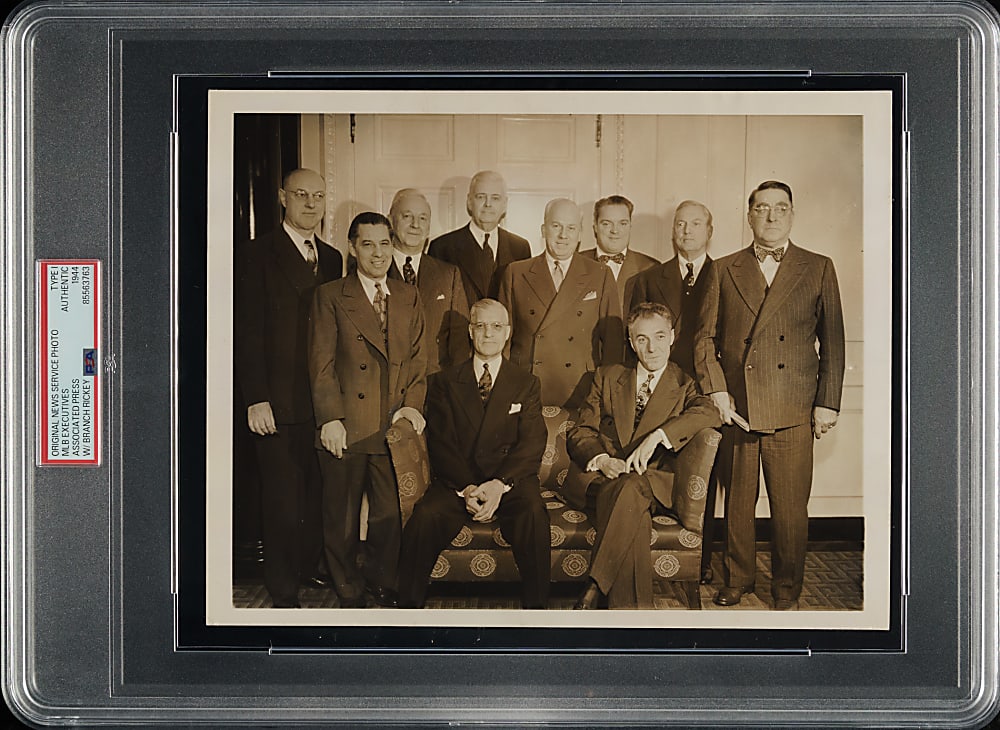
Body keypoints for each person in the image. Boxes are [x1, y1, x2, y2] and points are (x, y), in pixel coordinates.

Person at [694, 180, 845, 611]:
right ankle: (737, 579)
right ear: (749, 216)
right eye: (762, 208)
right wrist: (718, 391)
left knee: (790, 508)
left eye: (780, 208)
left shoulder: (818, 266)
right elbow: (704, 339)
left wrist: (827, 402)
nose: (772, 216)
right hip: (738, 408)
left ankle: (786, 587)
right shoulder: (723, 268)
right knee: (738, 505)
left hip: (794, 407)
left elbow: (833, 341)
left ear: (792, 215)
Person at [234, 168, 343, 608]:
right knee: (280, 500)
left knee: (315, 494)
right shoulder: (255, 254)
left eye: (318, 195)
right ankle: (281, 590)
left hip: (321, 401)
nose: (311, 204)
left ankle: (306, 569)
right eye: (301, 195)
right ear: (282, 197)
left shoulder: (333, 257)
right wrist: (256, 397)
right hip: (276, 402)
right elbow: (246, 332)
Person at [397, 299, 551, 609]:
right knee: (424, 517)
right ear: (470, 331)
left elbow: (533, 442)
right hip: (459, 482)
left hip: (510, 484)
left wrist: (499, 484)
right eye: (481, 326)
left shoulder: (526, 383)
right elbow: (440, 442)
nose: (488, 334)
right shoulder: (442, 382)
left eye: (496, 327)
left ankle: (537, 614)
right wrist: (467, 488)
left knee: (534, 514)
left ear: (507, 333)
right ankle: (406, 614)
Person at [567, 302, 722, 609]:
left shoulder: (684, 383)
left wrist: (658, 437)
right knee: (632, 507)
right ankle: (629, 613)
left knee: (632, 488)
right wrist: (602, 460)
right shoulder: (607, 377)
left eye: (660, 336)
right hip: (603, 479)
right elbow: (580, 431)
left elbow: (709, 411)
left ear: (672, 337)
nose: (652, 348)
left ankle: (596, 586)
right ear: (631, 342)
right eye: (642, 339)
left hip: (651, 483)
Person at [308, 212, 427, 608]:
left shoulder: (408, 295)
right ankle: (347, 588)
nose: (378, 253)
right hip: (346, 424)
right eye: (369, 244)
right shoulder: (331, 295)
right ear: (353, 248)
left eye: (384, 244)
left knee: (389, 515)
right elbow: (321, 364)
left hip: (392, 427)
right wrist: (329, 419)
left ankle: (381, 578)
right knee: (341, 518)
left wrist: (411, 409)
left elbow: (418, 362)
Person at [497, 198, 623, 410]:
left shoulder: (599, 274)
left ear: (580, 233)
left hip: (581, 388)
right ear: (544, 229)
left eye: (571, 228)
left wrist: (605, 395)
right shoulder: (516, 272)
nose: (563, 236)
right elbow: (503, 340)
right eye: (556, 227)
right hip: (527, 386)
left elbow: (613, 343)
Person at [628, 200, 715, 379]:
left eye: (695, 224)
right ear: (673, 232)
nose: (687, 231)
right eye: (680, 224)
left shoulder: (723, 276)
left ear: (709, 231)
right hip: (663, 381)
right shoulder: (649, 278)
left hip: (708, 380)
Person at [386, 188, 470, 373]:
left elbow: (459, 342)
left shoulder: (449, 275)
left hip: (435, 387)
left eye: (423, 218)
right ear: (391, 221)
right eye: (407, 216)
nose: (415, 224)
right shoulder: (376, 269)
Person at [428, 170, 531, 305]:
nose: (488, 204)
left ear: (504, 204)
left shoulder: (520, 248)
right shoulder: (442, 247)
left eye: (495, 198)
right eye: (481, 197)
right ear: (470, 202)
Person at [580, 195, 658, 314]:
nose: (615, 230)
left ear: (630, 226)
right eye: (606, 224)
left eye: (623, 223)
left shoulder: (650, 268)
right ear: (595, 227)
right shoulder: (576, 263)